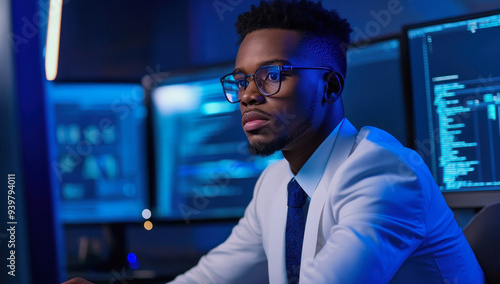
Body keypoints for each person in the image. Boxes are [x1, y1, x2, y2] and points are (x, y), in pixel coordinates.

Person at [64, 1, 484, 283]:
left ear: (330, 87)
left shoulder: (383, 174)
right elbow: (211, 276)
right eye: (243, 79)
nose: (248, 94)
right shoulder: (276, 183)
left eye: (272, 75)